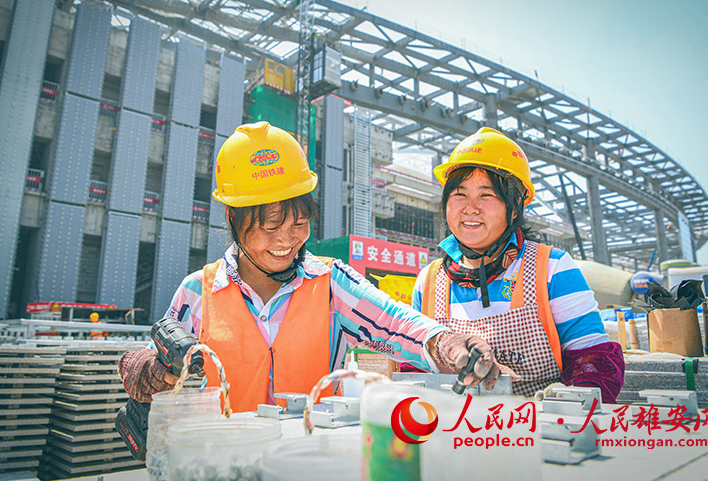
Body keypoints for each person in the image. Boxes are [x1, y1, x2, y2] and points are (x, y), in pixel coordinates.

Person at [118, 122, 507, 412]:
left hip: (310, 457)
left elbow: (395, 322)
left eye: (299, 224)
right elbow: (149, 356)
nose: (287, 240)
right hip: (226, 461)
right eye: (270, 226)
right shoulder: (197, 291)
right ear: (234, 219)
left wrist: (448, 343)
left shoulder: (330, 282)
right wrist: (145, 369)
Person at [412, 127, 624, 401]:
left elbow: (594, 364)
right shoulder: (428, 281)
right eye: (460, 194)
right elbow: (415, 365)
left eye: (486, 195)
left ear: (514, 208)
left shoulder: (552, 269)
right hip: (453, 434)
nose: (470, 208)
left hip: (536, 434)